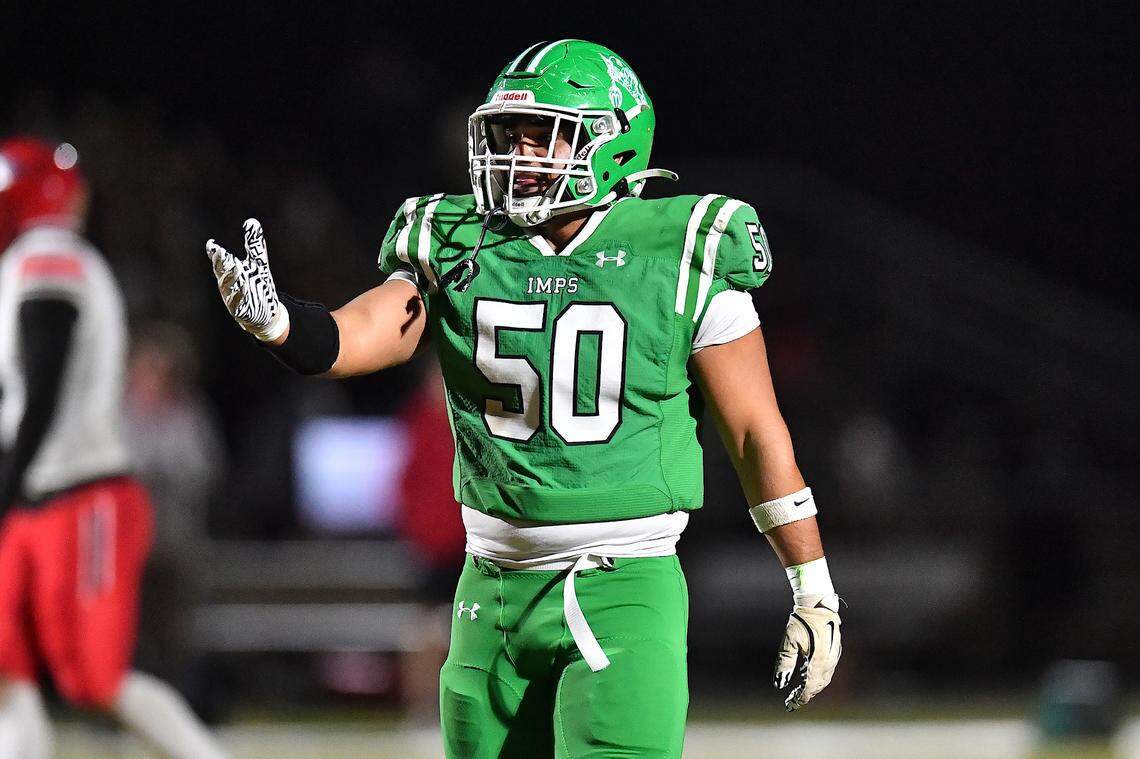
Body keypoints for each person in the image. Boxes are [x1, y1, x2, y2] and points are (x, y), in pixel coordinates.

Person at [207, 40, 842, 758]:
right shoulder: (458, 241)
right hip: (490, 587)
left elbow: (755, 431)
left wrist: (812, 586)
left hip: (621, 583)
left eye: (546, 135)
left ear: (612, 143)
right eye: (511, 135)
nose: (520, 154)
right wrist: (284, 325)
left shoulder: (681, 250)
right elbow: (370, 329)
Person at [0, 137, 228, 759]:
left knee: (93, 680)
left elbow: (43, 382)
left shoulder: (48, 256)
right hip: (41, 491)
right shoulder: (40, 259)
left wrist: (6, 487)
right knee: (5, 665)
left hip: (74, 492)